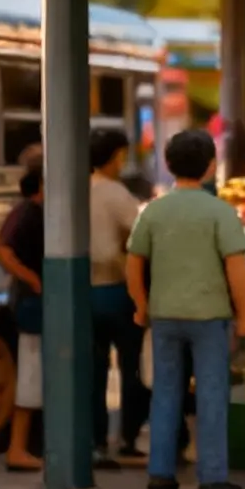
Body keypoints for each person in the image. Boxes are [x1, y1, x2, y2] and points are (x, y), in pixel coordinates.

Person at [126, 129, 245, 489]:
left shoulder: (153, 210)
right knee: (212, 393)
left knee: (165, 392)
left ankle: (160, 474)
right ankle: (212, 478)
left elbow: (134, 263)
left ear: (168, 164)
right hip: (209, 317)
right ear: (211, 166)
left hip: (164, 316)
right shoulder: (220, 212)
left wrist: (141, 306)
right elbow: (236, 268)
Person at [88, 127, 151, 466]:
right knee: (131, 367)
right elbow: (141, 234)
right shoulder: (115, 192)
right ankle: (127, 438)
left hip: (83, 292)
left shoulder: (75, 188)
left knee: (94, 372)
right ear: (114, 156)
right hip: (116, 290)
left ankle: (96, 442)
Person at [0, 169, 48, 472]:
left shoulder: (32, 212)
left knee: (35, 370)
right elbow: (1, 250)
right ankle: (17, 447)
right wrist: (33, 280)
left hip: (32, 301)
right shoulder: (27, 212)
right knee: (31, 370)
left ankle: (29, 446)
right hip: (31, 303)